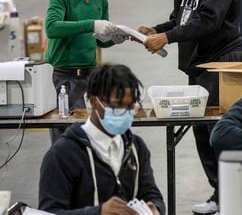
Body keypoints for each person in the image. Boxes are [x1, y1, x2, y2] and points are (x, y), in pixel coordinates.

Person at [136, 0, 242, 212]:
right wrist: (157, 30)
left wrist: (168, 38)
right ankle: (220, 194)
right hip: (198, 64)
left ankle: (232, 195)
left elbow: (208, 20)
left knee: (219, 132)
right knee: (201, 131)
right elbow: (179, 18)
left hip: (220, 63)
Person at [39, 64, 165, 215]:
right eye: (117, 106)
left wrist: (155, 209)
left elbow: (152, 195)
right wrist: (98, 212)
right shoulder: (62, 154)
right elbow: (49, 212)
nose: (124, 112)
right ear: (94, 102)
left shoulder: (136, 148)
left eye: (130, 107)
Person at [44, 0, 126, 143]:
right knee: (64, 140)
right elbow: (52, 27)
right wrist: (91, 24)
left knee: (93, 138)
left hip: (90, 78)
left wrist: (115, 38)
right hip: (64, 79)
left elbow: (100, 41)